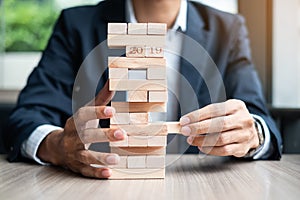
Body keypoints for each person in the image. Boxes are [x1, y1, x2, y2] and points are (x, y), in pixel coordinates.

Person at [4, 0, 282, 179]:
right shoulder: (76, 25)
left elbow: (258, 119)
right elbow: (28, 116)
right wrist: (58, 146)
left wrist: (251, 134)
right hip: (97, 186)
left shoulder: (228, 29)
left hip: (198, 184)